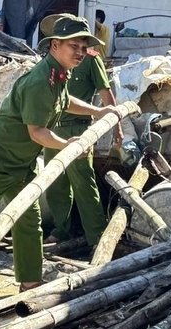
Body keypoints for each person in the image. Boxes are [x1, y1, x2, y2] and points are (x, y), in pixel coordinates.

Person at [0, 15, 121, 299]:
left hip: (22, 165)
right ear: (54, 46)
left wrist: (97, 111)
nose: (79, 52)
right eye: (73, 46)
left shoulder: (59, 74)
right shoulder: (41, 80)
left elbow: (65, 102)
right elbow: (37, 132)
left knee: (29, 221)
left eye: (82, 47)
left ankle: (30, 283)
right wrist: (68, 144)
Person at [36, 14, 122, 249]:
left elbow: (106, 97)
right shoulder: (50, 64)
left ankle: (97, 237)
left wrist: (117, 128)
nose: (78, 49)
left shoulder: (91, 60)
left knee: (83, 184)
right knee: (56, 184)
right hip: (53, 129)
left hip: (78, 130)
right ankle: (61, 230)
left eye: (80, 44)